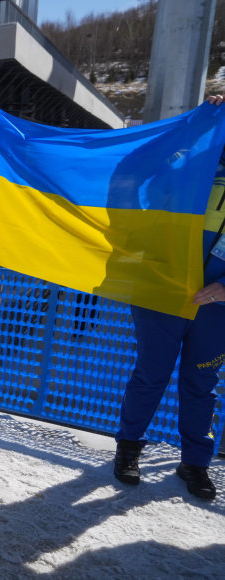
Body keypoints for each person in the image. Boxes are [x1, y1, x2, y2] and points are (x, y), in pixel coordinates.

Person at [114, 99, 225, 500]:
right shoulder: (183, 161)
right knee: (152, 374)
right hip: (160, 287)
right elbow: (128, 172)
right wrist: (192, 128)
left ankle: (195, 463)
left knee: (202, 384)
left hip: (217, 306)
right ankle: (128, 447)